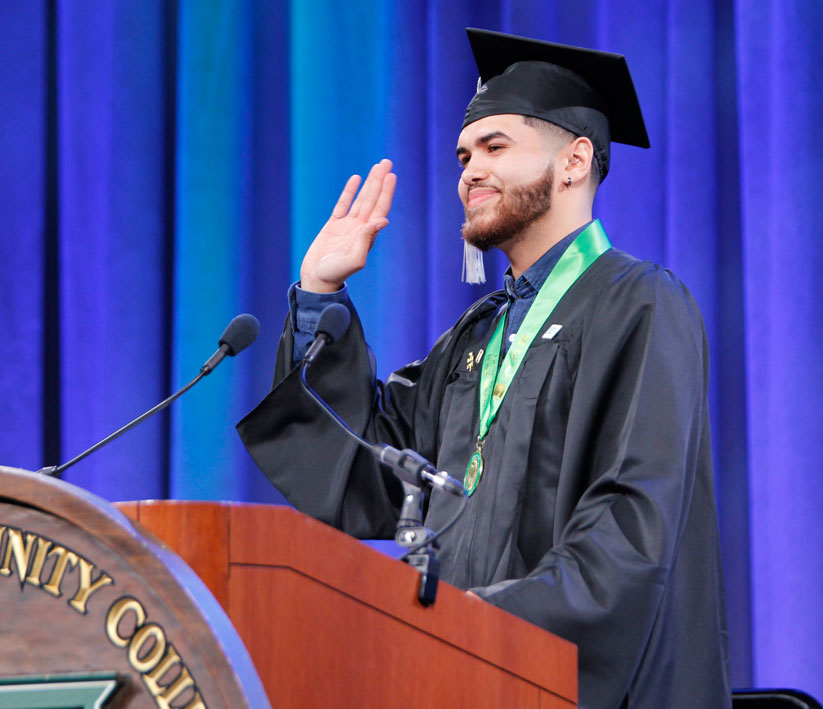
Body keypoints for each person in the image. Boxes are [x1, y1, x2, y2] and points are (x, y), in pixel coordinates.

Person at [238, 28, 730, 708]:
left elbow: (629, 526)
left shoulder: (639, 303)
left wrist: (474, 623)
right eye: (464, 154)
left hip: (557, 682)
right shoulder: (479, 334)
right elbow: (364, 465)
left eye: (495, 148)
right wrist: (320, 293)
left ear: (574, 161)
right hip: (463, 673)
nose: (468, 169)